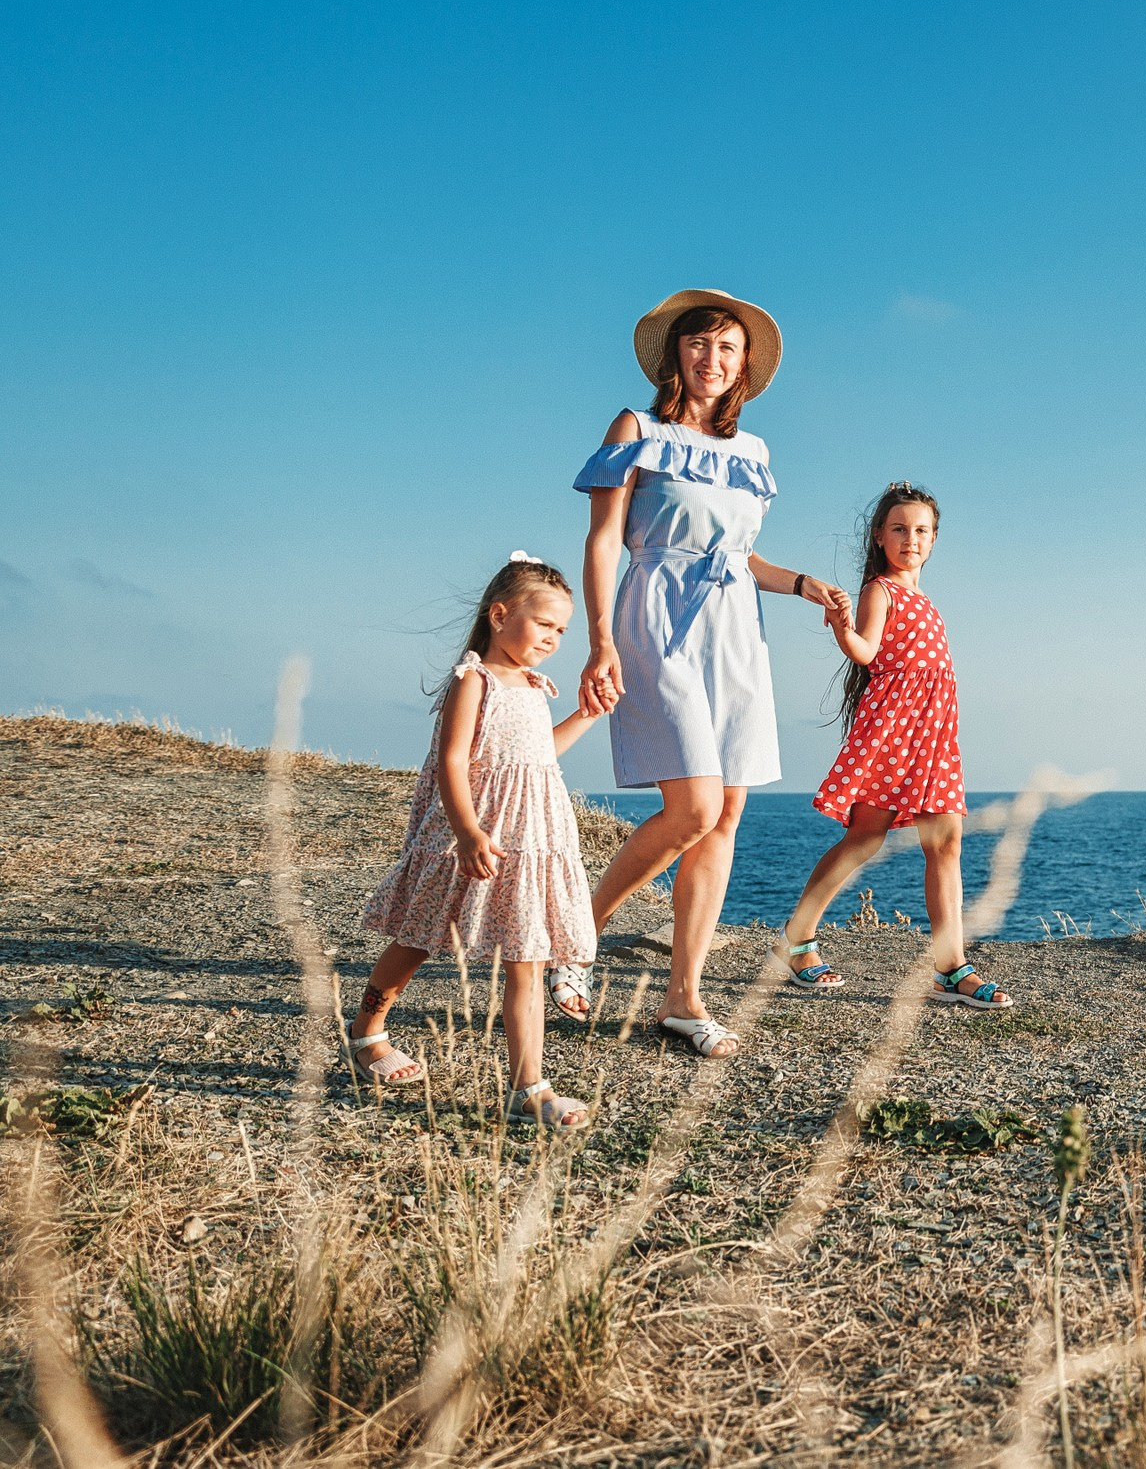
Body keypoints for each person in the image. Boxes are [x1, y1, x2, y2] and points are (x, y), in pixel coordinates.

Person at [570, 289, 848, 1058]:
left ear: (745, 367)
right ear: (675, 354)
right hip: (655, 617)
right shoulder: (637, 429)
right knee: (691, 809)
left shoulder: (753, 454)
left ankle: (683, 998)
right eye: (699, 344)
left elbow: (737, 553)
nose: (712, 359)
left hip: (735, 630)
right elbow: (602, 541)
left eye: (727, 349)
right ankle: (575, 933)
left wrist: (800, 583)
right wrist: (599, 639)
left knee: (724, 816)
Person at [351, 554, 602, 1127]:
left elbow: (537, 757)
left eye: (562, 630)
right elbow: (453, 759)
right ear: (499, 615)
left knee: (527, 959)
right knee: (419, 936)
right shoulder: (476, 679)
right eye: (544, 625)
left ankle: (528, 1088)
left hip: (529, 839)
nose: (554, 639)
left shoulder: (535, 685)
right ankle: (367, 1031)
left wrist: (586, 714)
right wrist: (466, 831)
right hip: (471, 832)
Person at [781, 482, 1012, 1009]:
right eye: (900, 529)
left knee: (947, 842)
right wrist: (841, 629)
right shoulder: (880, 590)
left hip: (933, 734)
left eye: (922, 531)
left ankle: (951, 968)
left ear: (934, 541)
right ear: (880, 537)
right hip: (894, 729)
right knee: (865, 838)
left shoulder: (928, 601)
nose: (912, 538)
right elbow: (865, 651)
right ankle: (797, 941)